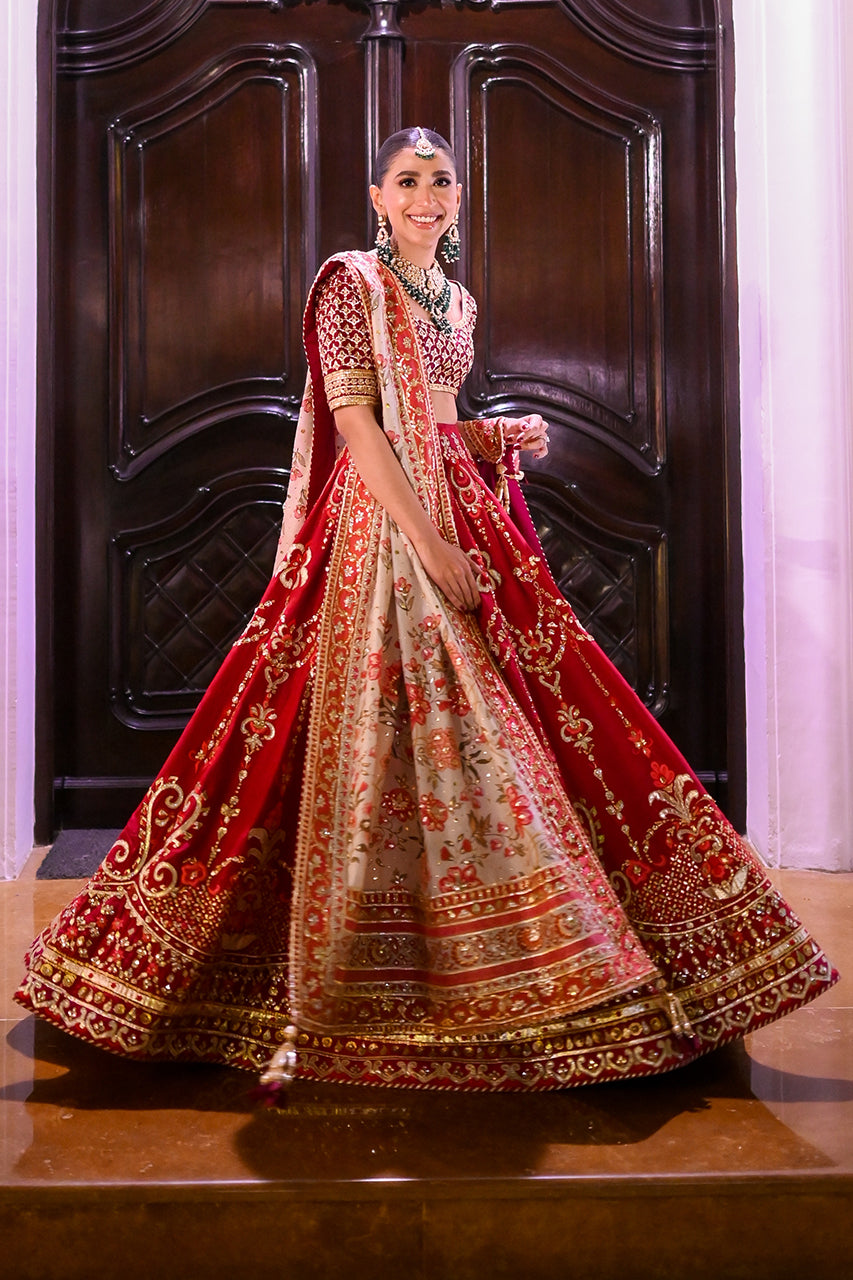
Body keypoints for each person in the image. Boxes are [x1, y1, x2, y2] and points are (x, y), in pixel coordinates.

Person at [17, 127, 836, 1097]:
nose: (425, 196)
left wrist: (493, 436)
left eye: (440, 180)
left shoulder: (456, 296)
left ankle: (559, 957)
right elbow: (358, 424)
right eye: (406, 180)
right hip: (381, 524)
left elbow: (436, 421)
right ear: (377, 195)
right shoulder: (349, 284)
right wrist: (431, 544)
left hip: (460, 501)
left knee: (548, 711)